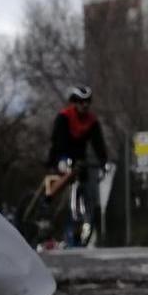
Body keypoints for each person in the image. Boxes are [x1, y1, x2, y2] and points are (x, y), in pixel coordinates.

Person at [46, 85, 110, 246]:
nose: (85, 105)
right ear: (74, 102)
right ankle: (47, 201)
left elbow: (98, 143)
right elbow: (57, 141)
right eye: (81, 102)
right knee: (66, 174)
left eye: (87, 102)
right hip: (61, 156)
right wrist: (60, 159)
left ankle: (80, 227)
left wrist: (103, 161)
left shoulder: (92, 121)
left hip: (80, 161)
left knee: (86, 186)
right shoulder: (64, 117)